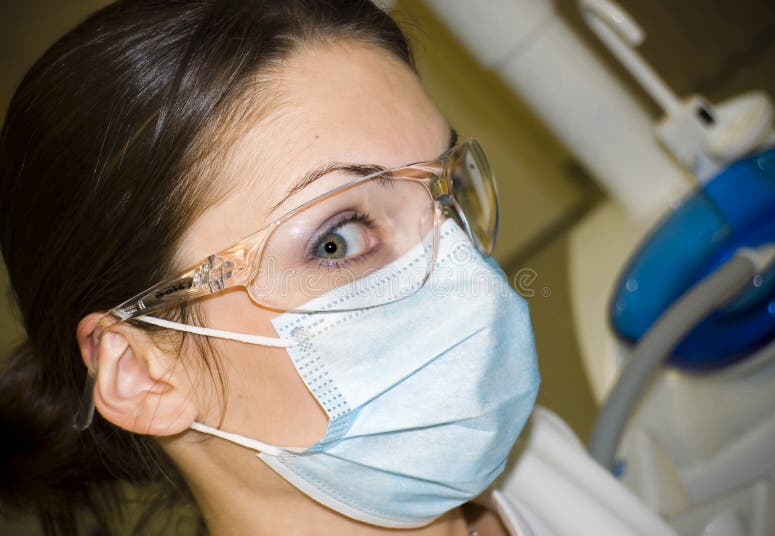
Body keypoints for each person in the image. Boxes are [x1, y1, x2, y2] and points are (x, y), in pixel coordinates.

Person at [0, 1, 677, 535]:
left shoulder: (533, 457)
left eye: (443, 195)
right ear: (145, 374)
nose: (468, 276)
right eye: (336, 241)